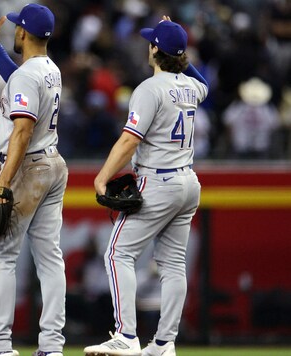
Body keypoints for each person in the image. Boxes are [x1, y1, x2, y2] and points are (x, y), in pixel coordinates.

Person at [83, 16, 208, 356]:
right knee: (173, 265)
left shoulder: (148, 89)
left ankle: (126, 335)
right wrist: (178, 46)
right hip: (188, 182)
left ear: (155, 49)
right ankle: (165, 344)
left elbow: (128, 141)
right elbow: (203, 81)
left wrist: (102, 176)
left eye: (151, 42)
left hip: (160, 180)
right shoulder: (192, 88)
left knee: (117, 253)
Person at [0, 3, 68, 356]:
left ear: (24, 33)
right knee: (50, 259)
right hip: (53, 163)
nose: (12, 30)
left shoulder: (27, 76)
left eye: (16, 26)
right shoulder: (49, 69)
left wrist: (2, 181)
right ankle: (51, 346)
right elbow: (15, 77)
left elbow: (22, 131)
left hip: (28, 166)